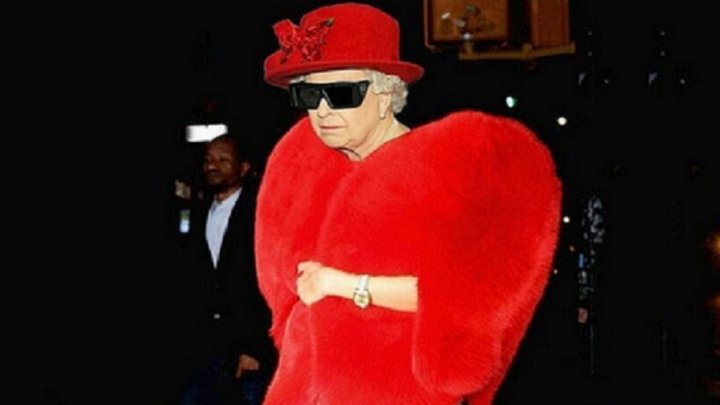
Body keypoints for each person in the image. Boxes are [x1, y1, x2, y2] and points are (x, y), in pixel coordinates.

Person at [255, 3, 562, 405]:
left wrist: (344, 285)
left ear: (386, 93)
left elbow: (470, 300)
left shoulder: (447, 170)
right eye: (309, 94)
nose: (323, 110)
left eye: (342, 93)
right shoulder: (302, 168)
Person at [178, 134, 276, 405]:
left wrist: (256, 348)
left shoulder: (260, 213)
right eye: (208, 159)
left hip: (248, 353)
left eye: (223, 160)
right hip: (204, 350)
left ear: (243, 168)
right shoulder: (197, 212)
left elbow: (269, 284)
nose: (212, 166)